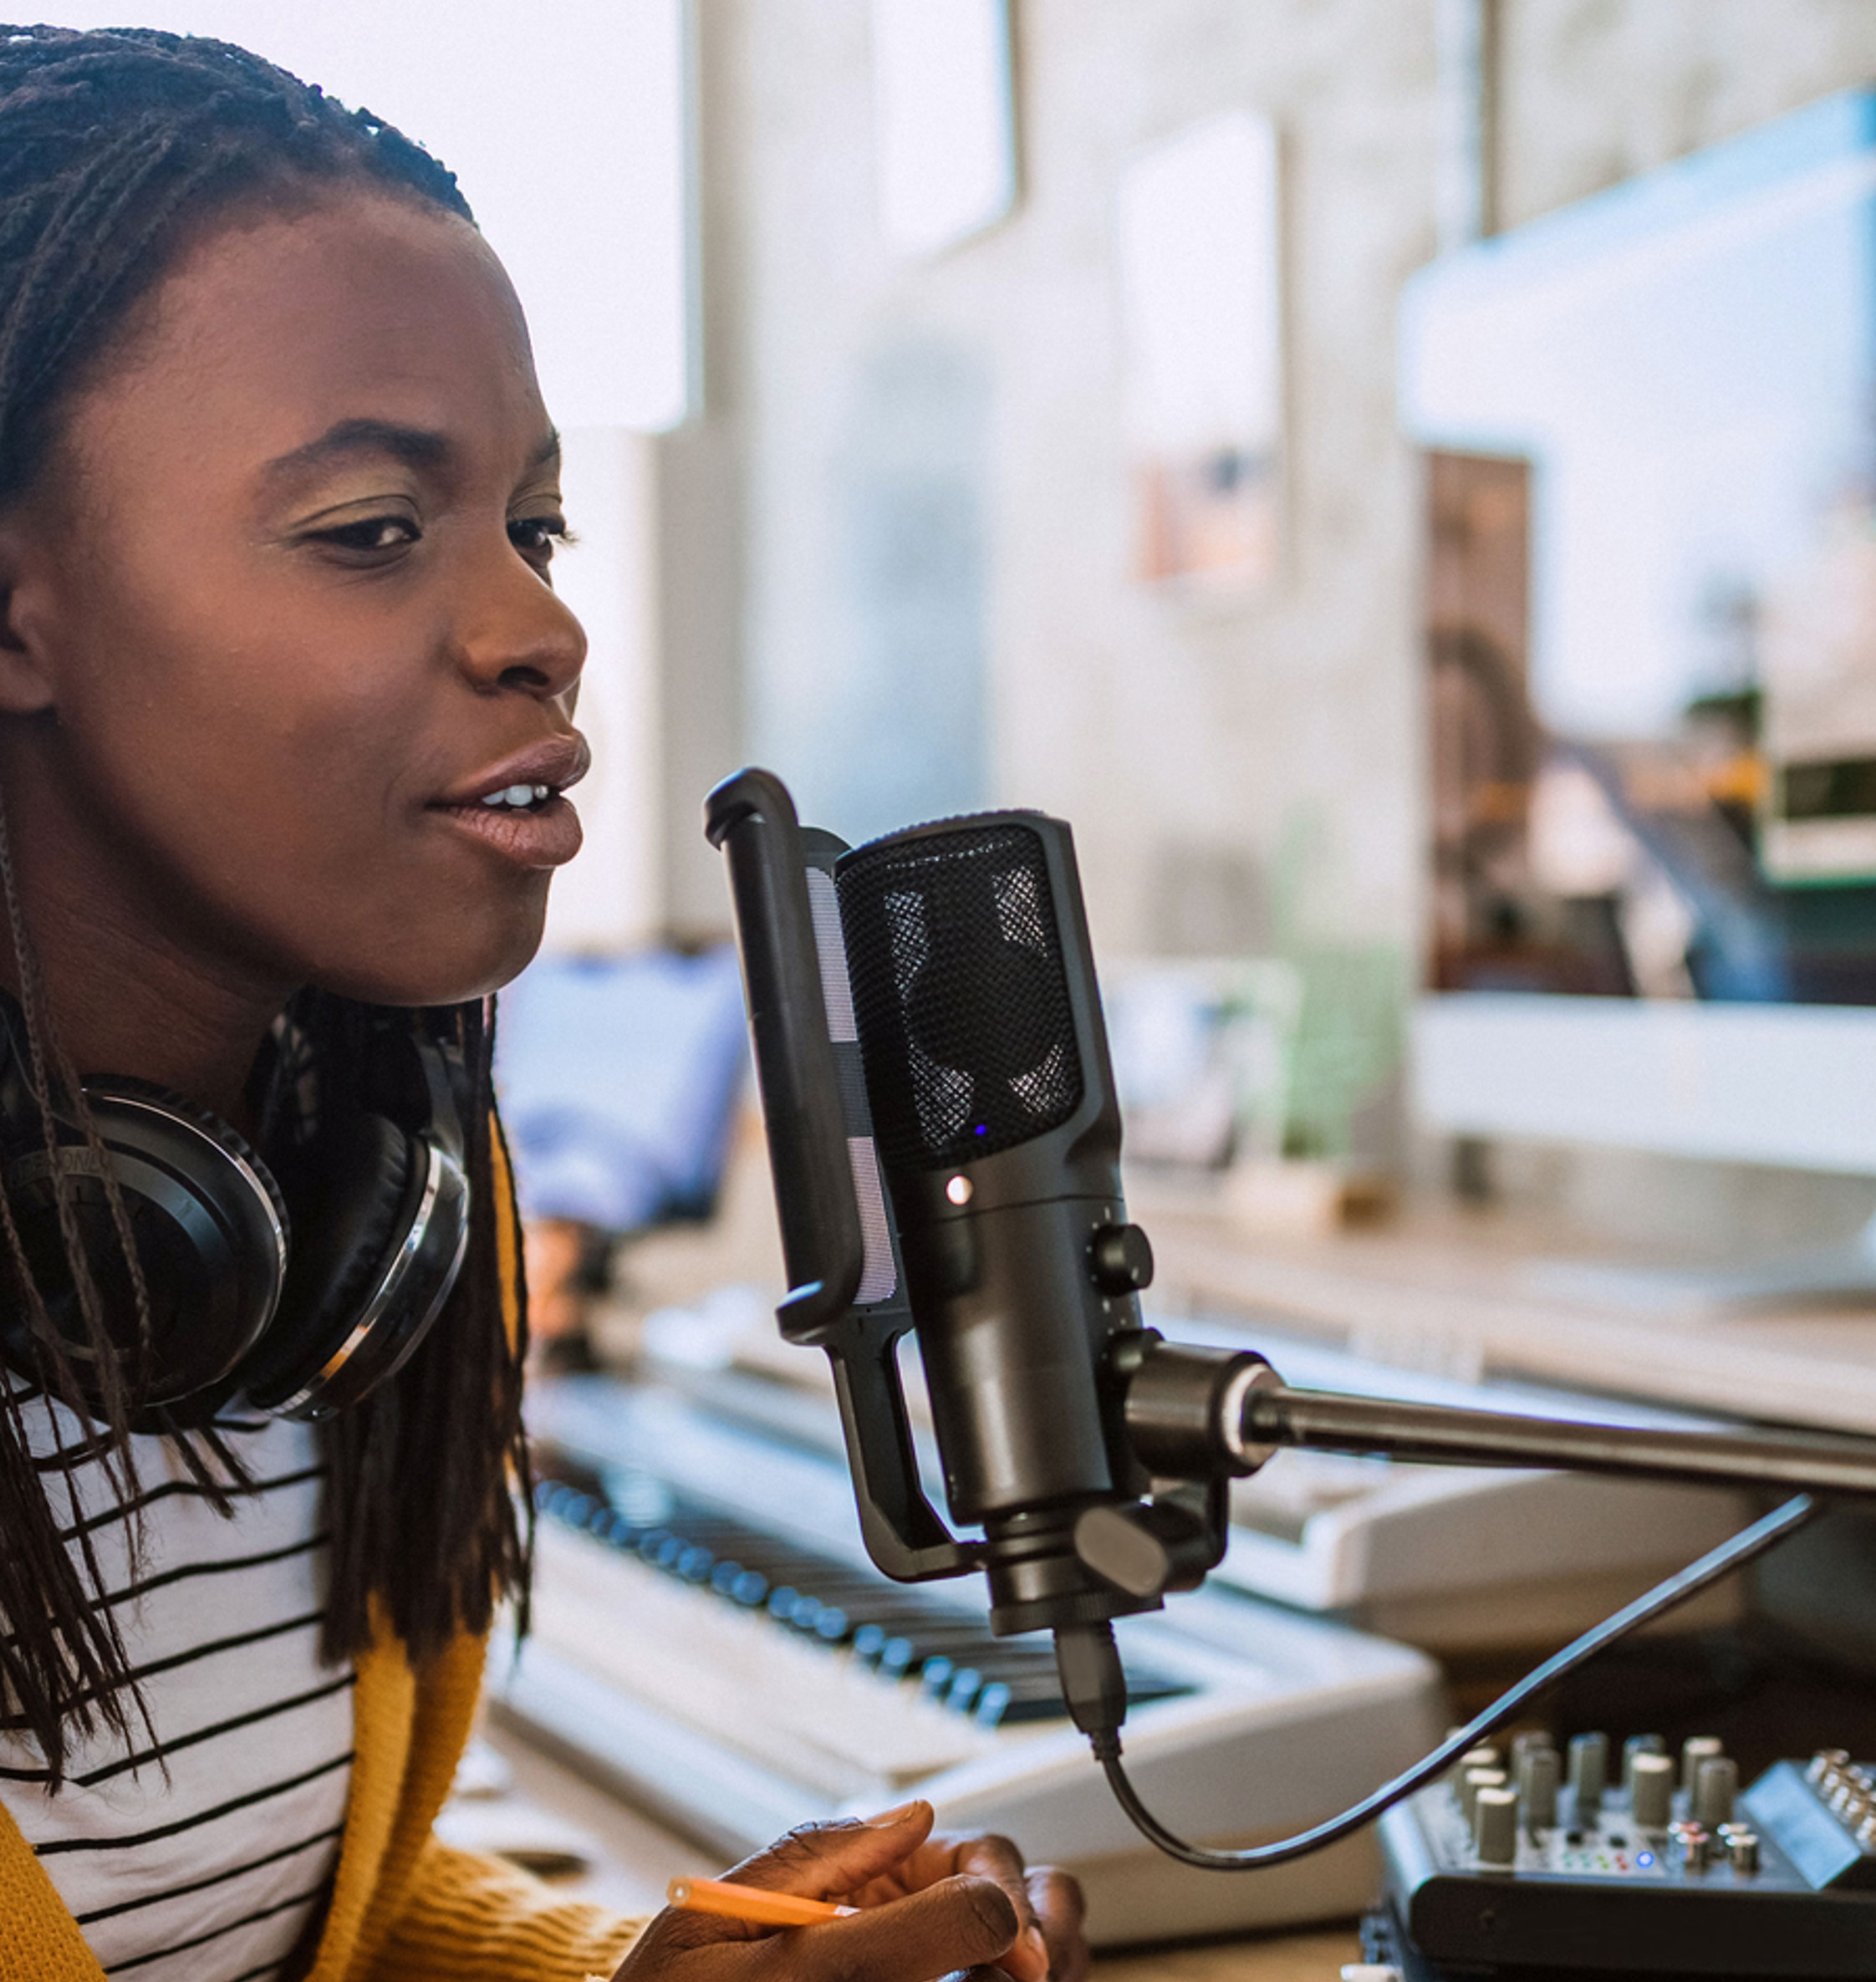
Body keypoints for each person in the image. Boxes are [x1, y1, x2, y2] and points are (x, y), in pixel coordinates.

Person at [0, 26, 1086, 1982]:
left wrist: (630, 1976)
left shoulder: (384, 1228)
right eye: (370, 531)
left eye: (534, 524)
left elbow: (280, 1917)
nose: (540, 626)